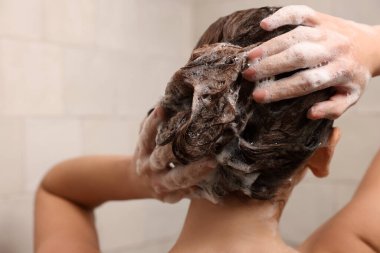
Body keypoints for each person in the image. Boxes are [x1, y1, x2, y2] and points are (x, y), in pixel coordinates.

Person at [34, 6, 380, 253]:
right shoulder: (352, 244)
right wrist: (368, 44)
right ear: (323, 154)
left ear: (184, 123)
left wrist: (144, 175)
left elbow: (59, 190)